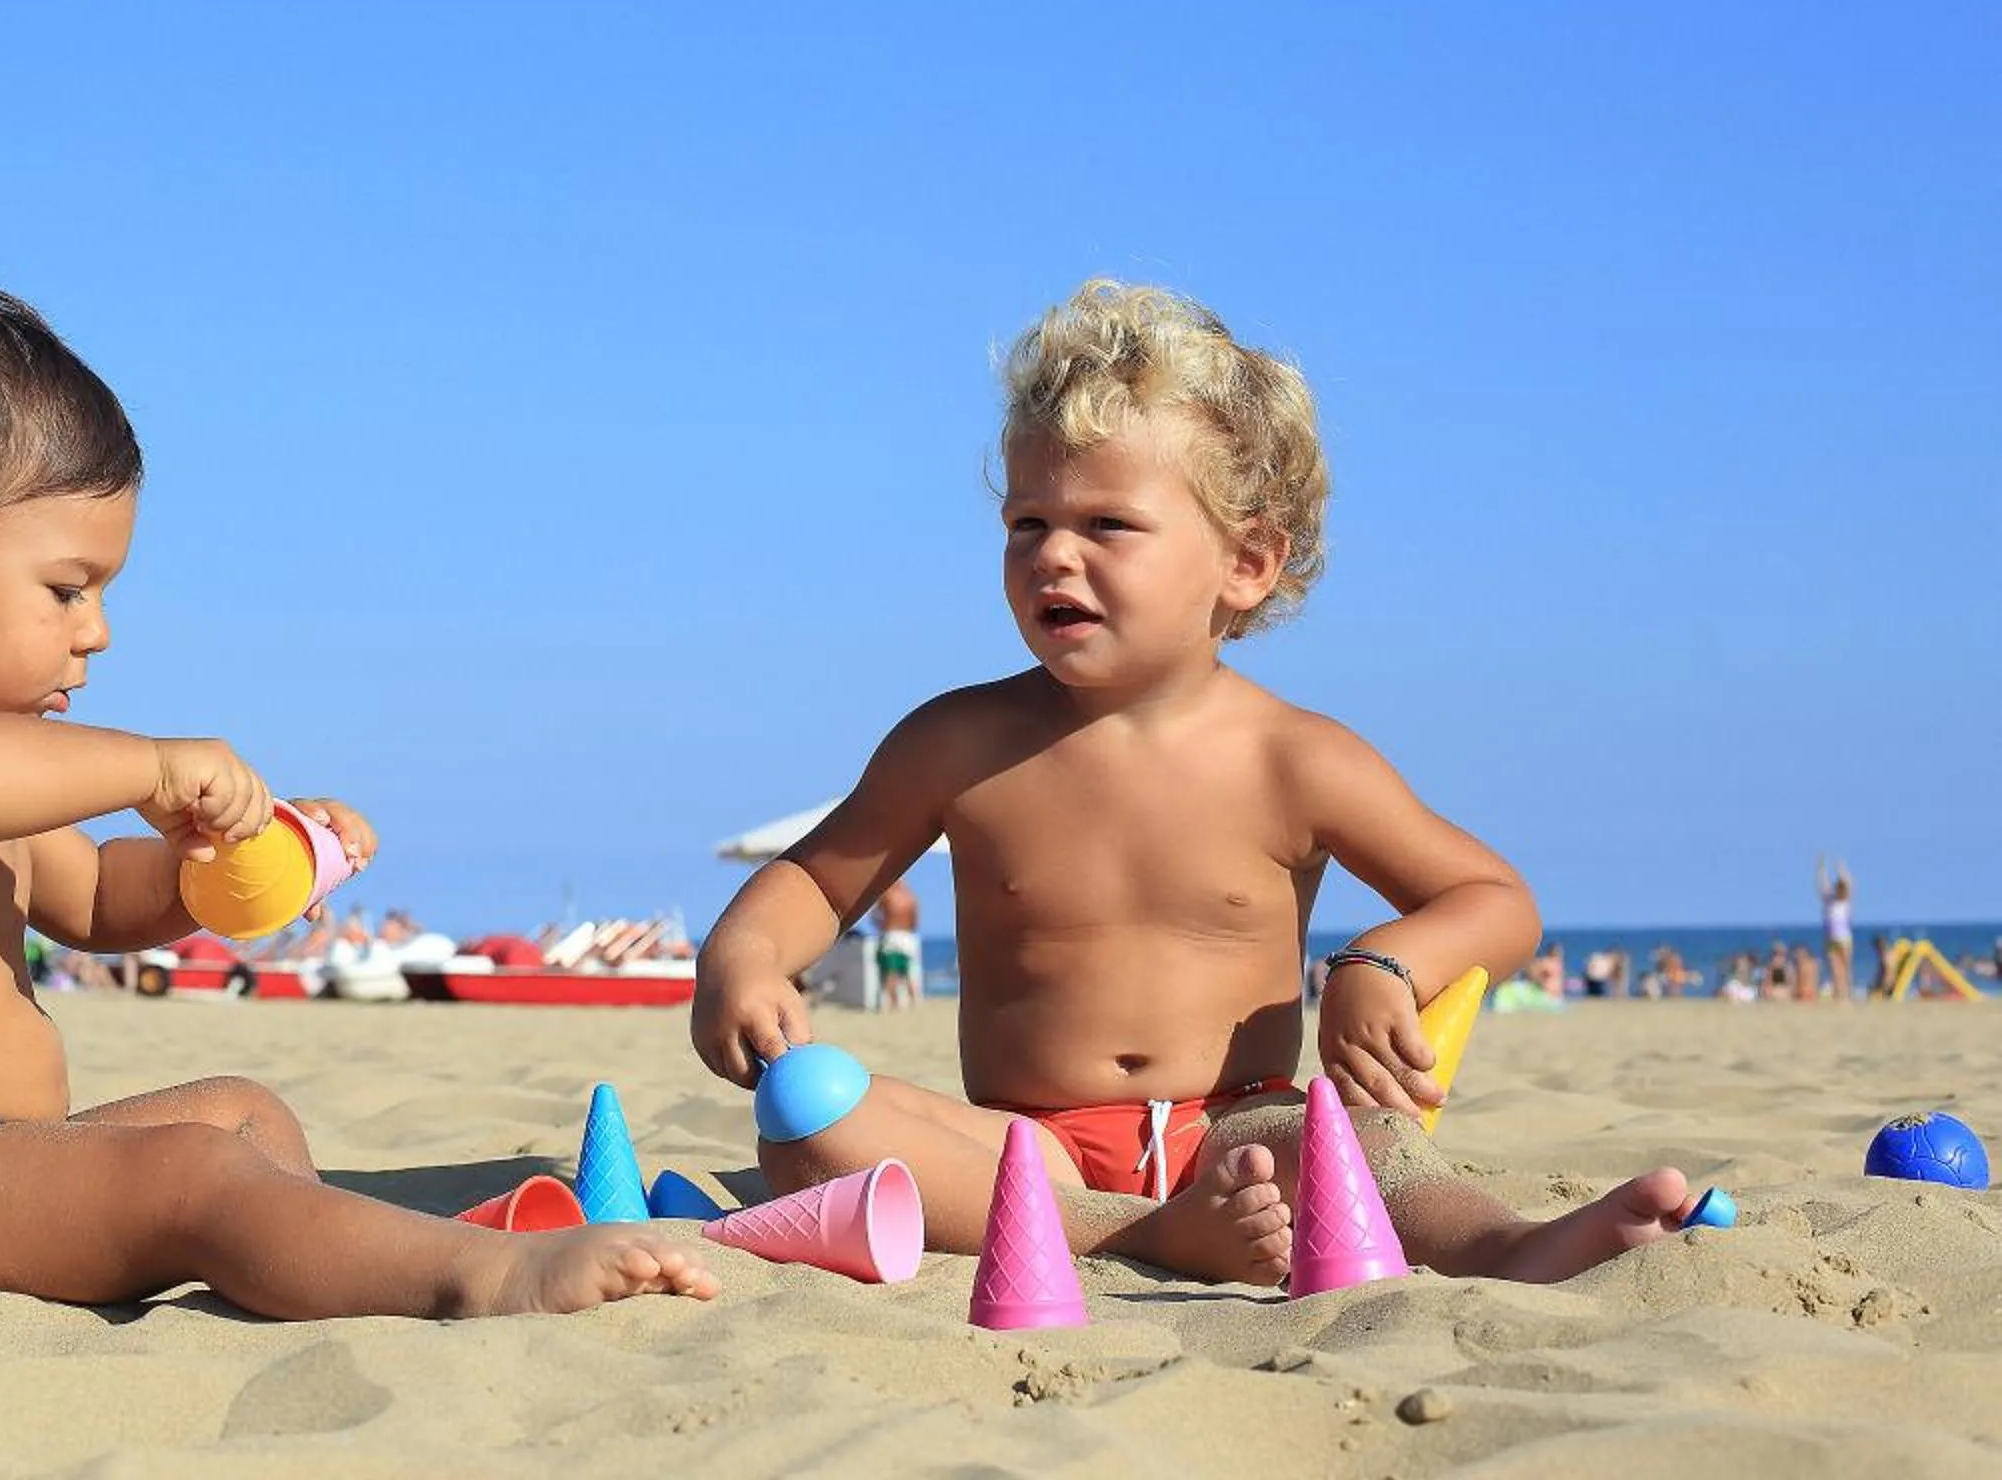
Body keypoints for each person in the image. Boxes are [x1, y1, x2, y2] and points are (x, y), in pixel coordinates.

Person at [0, 224, 715, 1317]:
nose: (97, 630)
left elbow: (95, 898)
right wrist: (150, 767)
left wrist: (219, 862)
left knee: (242, 1115)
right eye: (67, 589)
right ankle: (476, 1274)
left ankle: (351, 1256)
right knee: (192, 1174)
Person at [689, 279, 1695, 1286]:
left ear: (1246, 563)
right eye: (1027, 522)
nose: (1053, 555)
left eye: (1107, 524)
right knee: (809, 1115)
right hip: (1026, 1145)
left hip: (1238, 1130)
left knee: (1365, 1145)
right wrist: (744, 958)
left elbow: (1494, 898)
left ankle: (1506, 1246)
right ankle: (1136, 1237)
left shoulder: (1293, 757)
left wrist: (1383, 964)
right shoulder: (957, 742)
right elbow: (819, 879)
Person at [876, 878, 923, 1012]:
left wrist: (882, 926)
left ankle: (892, 1004)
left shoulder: (887, 895)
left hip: (891, 935)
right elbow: (916, 922)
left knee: (890, 972)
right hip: (908, 937)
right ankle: (914, 1002)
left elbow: (876, 916)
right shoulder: (911, 897)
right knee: (907, 972)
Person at [1818, 856, 1856, 1000]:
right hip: (1833, 939)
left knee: (1845, 968)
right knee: (1836, 969)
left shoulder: (1845, 902)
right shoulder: (1830, 900)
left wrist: (1841, 869)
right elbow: (1823, 884)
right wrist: (1821, 868)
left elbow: (1849, 883)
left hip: (1843, 939)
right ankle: (1839, 994)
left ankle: (1847, 994)